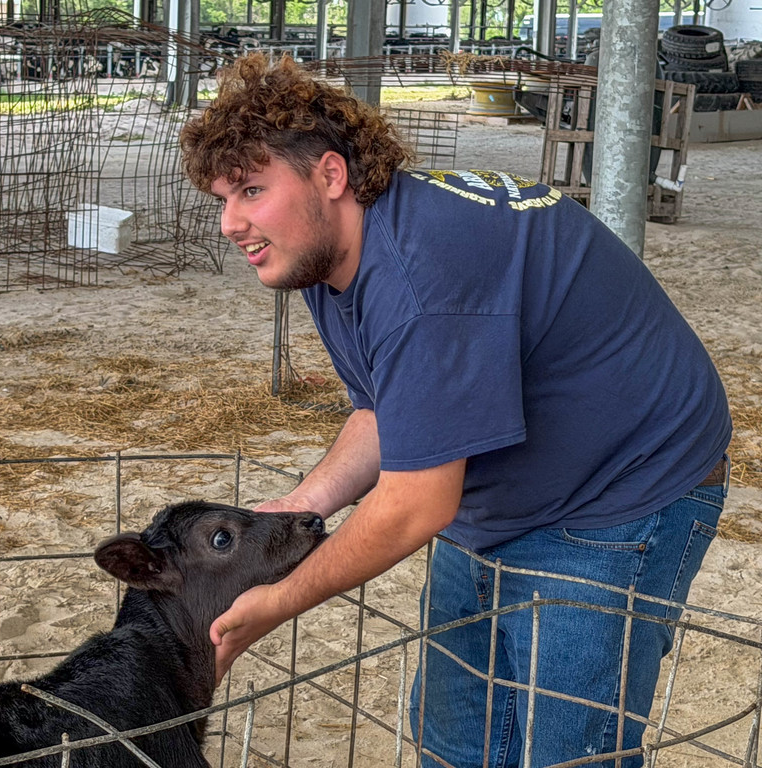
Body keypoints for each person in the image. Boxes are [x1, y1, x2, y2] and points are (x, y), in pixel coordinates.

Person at [179, 53, 731, 766]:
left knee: (570, 751)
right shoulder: (326, 254)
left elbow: (416, 504)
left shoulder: (420, 275)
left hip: (622, 494)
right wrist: (299, 508)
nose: (230, 222)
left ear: (331, 175)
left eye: (251, 189)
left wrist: (278, 601)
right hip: (502, 493)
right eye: (223, 197)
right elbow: (386, 411)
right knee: (455, 737)